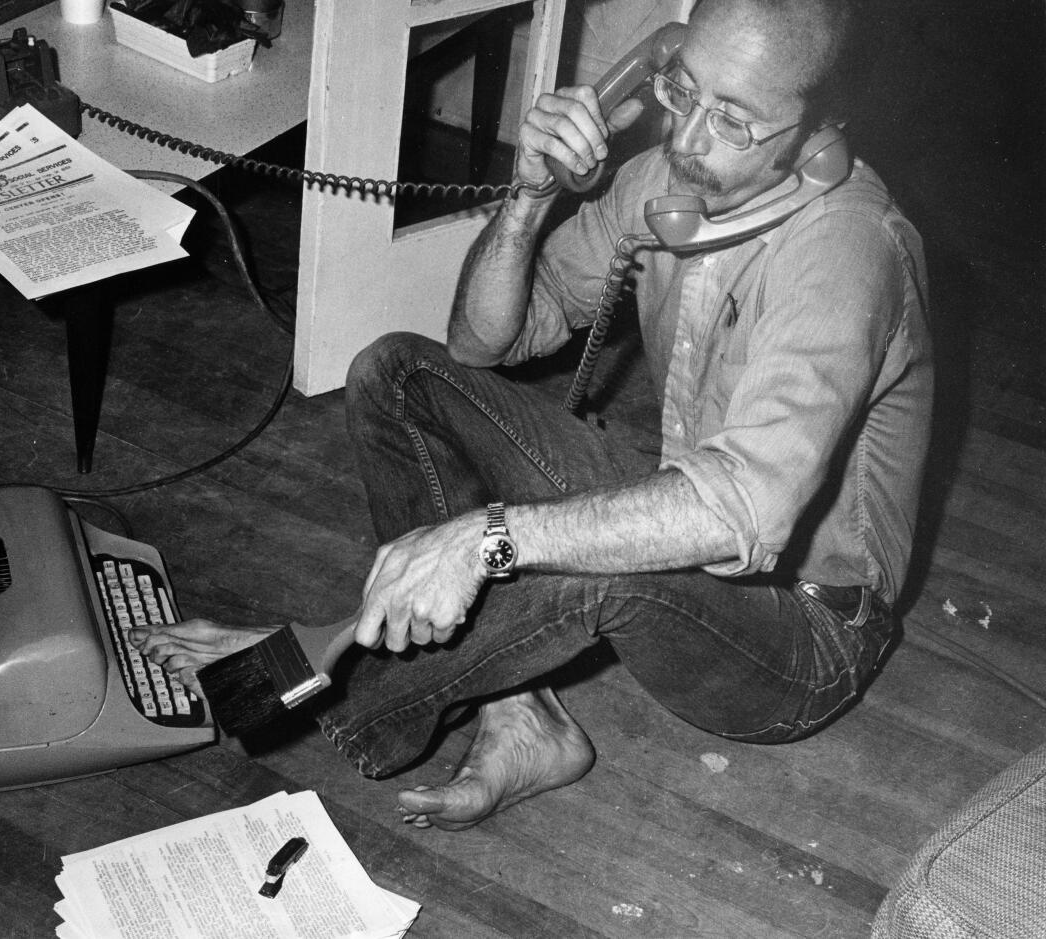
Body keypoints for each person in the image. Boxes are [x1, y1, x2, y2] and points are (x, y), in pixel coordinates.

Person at [132, 0, 933, 831]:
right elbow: (483, 341)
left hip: (799, 636)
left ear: (819, 131)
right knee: (395, 371)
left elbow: (741, 511)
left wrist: (484, 538)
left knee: (588, 558)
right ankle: (519, 710)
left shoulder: (848, 252)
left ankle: (313, 667)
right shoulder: (663, 183)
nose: (687, 142)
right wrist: (526, 196)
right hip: (698, 520)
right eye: (681, 91)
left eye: (733, 120)